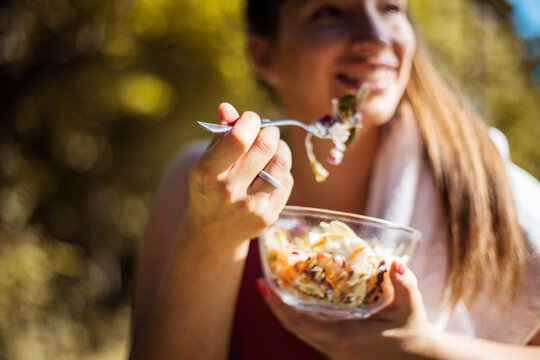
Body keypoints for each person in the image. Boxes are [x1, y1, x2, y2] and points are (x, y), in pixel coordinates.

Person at [130, 0, 540, 358]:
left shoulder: (486, 192)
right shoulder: (200, 185)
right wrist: (212, 237)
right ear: (264, 55)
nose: (376, 36)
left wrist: (420, 349)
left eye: (391, 8)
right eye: (330, 11)